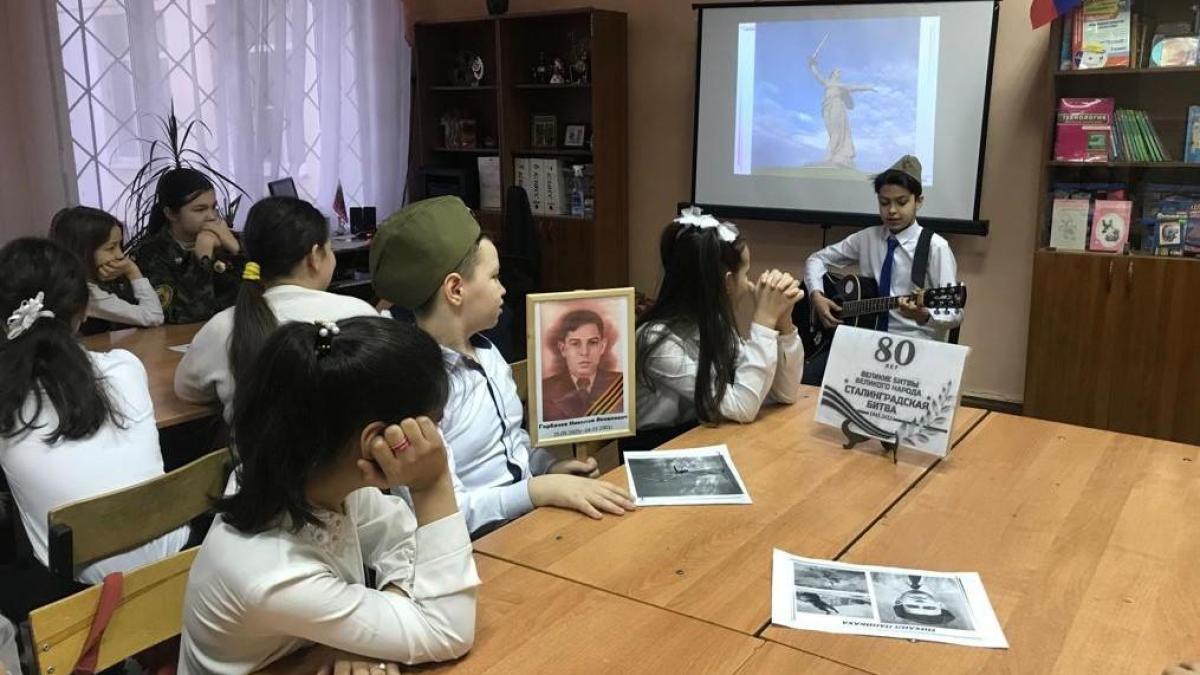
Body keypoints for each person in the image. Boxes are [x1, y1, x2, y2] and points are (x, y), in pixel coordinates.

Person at [179, 317, 478, 673]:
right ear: (376, 441)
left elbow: (402, 538)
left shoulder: (315, 473)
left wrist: (382, 616)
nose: (438, 442)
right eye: (433, 426)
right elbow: (447, 631)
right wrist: (432, 485)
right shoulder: (271, 574)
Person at [369, 196, 635, 537]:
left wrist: (548, 467)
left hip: (523, 523)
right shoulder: (414, 389)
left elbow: (509, 441)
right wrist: (536, 491)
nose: (504, 289)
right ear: (455, 289)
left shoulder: (488, 352)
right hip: (474, 546)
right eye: (494, 277)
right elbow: (442, 514)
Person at [0, 238, 188, 584]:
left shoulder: (7, 398)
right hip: (177, 566)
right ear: (84, 311)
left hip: (78, 589)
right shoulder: (124, 367)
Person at [175, 196, 378, 423]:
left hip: (254, 448)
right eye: (329, 249)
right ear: (314, 256)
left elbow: (187, 392)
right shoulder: (361, 313)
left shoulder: (222, 327)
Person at [635, 208, 805, 435]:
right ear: (727, 282)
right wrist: (764, 321)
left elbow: (784, 393)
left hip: (699, 436)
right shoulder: (655, 339)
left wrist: (783, 324)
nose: (750, 285)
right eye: (745, 274)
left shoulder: (714, 324)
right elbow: (742, 406)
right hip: (655, 447)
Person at [803, 155, 963, 384]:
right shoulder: (867, 238)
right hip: (863, 341)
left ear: (919, 201)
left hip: (911, 348)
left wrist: (925, 315)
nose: (892, 211)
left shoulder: (935, 248)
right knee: (806, 379)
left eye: (901, 202)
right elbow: (816, 260)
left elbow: (955, 312)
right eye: (884, 203)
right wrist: (817, 296)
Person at [130, 167, 242, 324]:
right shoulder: (149, 254)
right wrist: (202, 259)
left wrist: (236, 249)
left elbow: (265, 292)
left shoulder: (227, 239)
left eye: (214, 207)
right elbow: (181, 316)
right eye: (200, 210)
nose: (211, 216)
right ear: (171, 214)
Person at [48, 205, 164, 333]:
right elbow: (153, 316)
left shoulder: (64, 281)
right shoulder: (84, 292)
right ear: (83, 252)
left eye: (119, 245)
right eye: (111, 248)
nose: (120, 255)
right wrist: (132, 271)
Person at [540, 309, 624, 422]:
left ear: (602, 346)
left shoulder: (620, 384)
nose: (584, 352)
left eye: (592, 342)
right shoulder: (544, 389)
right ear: (563, 348)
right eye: (575, 343)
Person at [807, 50, 875, 169]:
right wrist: (812, 64)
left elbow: (855, 87)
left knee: (836, 132)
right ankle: (836, 154)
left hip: (837, 107)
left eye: (840, 72)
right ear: (833, 73)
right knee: (832, 131)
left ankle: (830, 156)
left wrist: (868, 87)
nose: (839, 73)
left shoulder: (841, 86)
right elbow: (817, 75)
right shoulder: (827, 82)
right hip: (827, 107)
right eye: (838, 72)